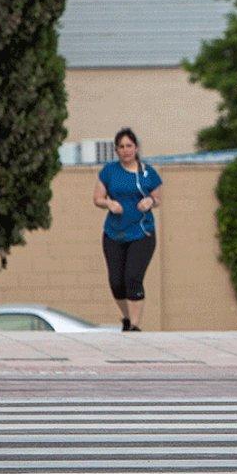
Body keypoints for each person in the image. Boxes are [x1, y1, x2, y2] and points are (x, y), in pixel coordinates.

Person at [92, 128, 162, 332]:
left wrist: (149, 201)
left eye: (129, 146)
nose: (125, 150)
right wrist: (108, 204)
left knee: (132, 277)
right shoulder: (109, 171)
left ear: (136, 148)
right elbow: (97, 198)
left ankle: (134, 325)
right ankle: (126, 317)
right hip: (114, 233)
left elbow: (157, 198)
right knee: (116, 282)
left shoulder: (148, 173)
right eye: (121, 147)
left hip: (141, 233)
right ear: (116, 150)